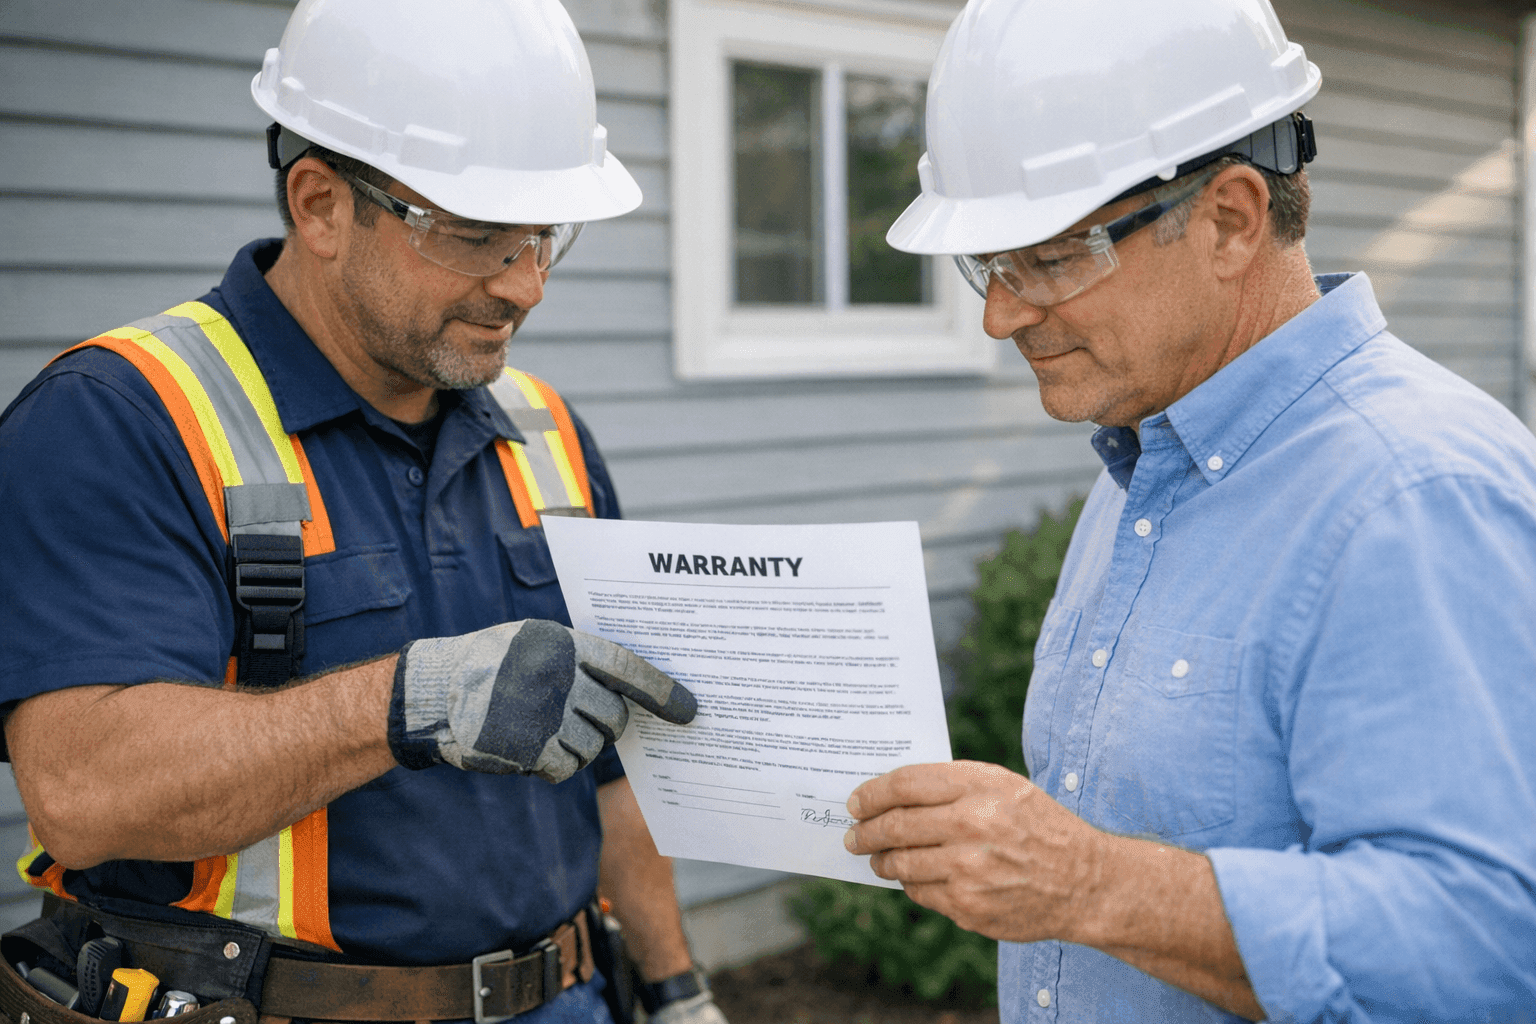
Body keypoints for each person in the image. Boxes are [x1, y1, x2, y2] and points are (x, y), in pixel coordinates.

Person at [0, 2, 727, 1022]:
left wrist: (673, 984)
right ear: (321, 204)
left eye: (543, 236)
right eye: (478, 236)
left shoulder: (548, 434)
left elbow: (610, 770)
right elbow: (83, 792)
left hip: (566, 997)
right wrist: (405, 702)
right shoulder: (121, 418)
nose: (526, 284)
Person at [842, 0, 1536, 1021]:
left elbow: (1482, 948)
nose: (1000, 313)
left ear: (1230, 219)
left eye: (1051, 257)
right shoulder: (1145, 463)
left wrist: (1084, 882)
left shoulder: (1415, 493)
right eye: (988, 266)